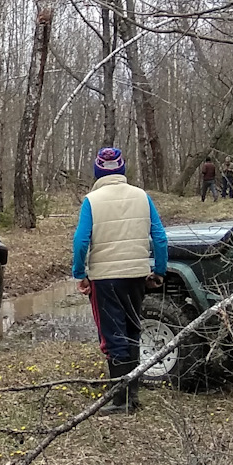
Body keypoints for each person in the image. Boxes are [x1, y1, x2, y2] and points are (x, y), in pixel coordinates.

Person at [72, 146, 169, 410]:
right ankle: (132, 395)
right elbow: (160, 237)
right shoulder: (142, 196)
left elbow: (81, 241)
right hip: (137, 275)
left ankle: (120, 400)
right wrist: (159, 271)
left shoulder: (91, 201)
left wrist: (80, 274)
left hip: (105, 279)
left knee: (113, 335)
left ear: (97, 170)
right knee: (132, 330)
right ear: (122, 168)